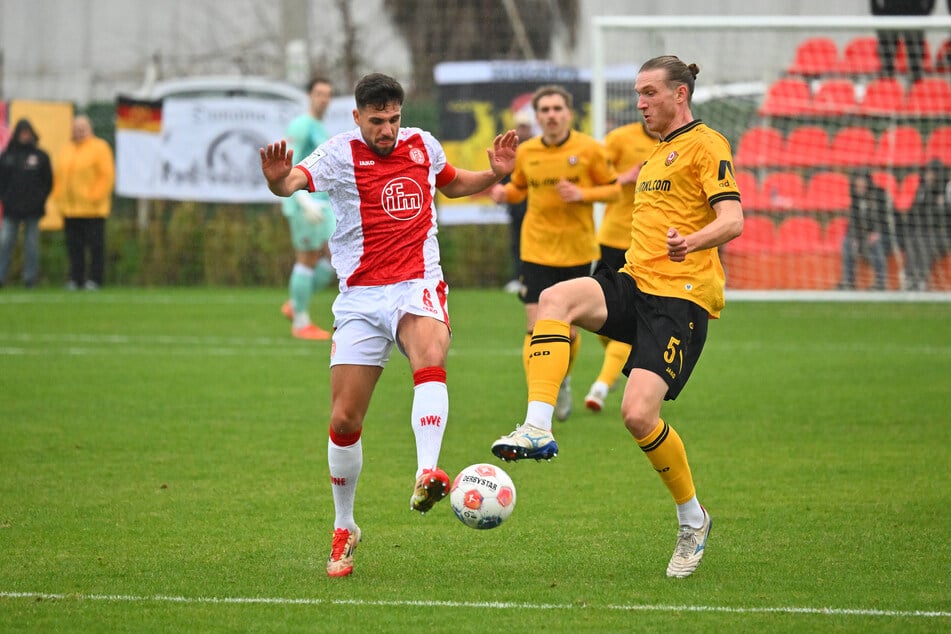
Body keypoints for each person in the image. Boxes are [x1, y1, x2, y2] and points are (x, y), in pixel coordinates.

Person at [490, 56, 743, 579]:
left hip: (682, 298)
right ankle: (537, 427)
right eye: (638, 93)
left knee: (637, 416)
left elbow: (733, 219)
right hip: (634, 283)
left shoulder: (707, 144)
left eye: (650, 92)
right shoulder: (655, 155)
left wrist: (690, 242)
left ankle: (692, 520)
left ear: (680, 94)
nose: (641, 102)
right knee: (556, 300)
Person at [259, 73, 518, 578]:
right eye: (377, 121)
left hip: (416, 282)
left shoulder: (423, 144)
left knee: (430, 354)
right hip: (359, 295)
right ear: (357, 117)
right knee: (344, 420)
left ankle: (427, 471)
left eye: (393, 119)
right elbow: (291, 184)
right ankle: (345, 524)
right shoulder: (337, 153)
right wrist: (276, 179)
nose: (387, 130)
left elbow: (453, 183)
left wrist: (493, 175)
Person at [488, 85, 619, 422]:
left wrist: (582, 193)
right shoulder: (528, 152)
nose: (551, 115)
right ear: (537, 116)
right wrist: (505, 193)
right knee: (535, 329)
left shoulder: (589, 149)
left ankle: (562, 382)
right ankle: (539, 399)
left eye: (557, 109)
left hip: (576, 251)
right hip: (536, 250)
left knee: (569, 331)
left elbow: (614, 189)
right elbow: (519, 188)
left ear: (569, 114)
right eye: (544, 110)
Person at [584, 120, 660, 412]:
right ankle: (617, 364)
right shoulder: (618, 139)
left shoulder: (677, 144)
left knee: (633, 319)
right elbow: (594, 180)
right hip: (613, 238)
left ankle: (601, 386)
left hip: (649, 244)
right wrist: (623, 178)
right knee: (596, 315)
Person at [279, 76, 337, 340]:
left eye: (327, 94)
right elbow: (286, 162)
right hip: (305, 205)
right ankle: (300, 322)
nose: (323, 98)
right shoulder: (301, 125)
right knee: (307, 258)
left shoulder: (320, 128)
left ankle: (296, 301)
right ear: (309, 96)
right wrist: (303, 200)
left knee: (334, 258)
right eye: (318, 93)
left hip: (321, 203)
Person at [52, 114, 115, 291]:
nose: (79, 132)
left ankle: (95, 279)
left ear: (90, 129)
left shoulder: (100, 148)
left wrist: (94, 197)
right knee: (74, 247)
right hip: (70, 209)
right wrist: (58, 196)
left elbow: (106, 175)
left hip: (93, 209)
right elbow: (59, 176)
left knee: (95, 247)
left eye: (82, 129)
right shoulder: (67, 149)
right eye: (76, 129)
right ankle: (76, 278)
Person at [0, 119, 53, 289]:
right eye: (22, 132)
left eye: (27, 132)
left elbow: (48, 182)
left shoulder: (40, 156)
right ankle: (1, 276)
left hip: (33, 209)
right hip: (11, 209)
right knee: (5, 242)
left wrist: (39, 200)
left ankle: (30, 278)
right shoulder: (7, 156)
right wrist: (6, 199)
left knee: (31, 245)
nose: (24, 135)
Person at [836, 169, 894, 291]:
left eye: (863, 182)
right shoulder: (855, 199)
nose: (860, 185)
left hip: (887, 235)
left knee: (875, 244)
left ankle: (880, 282)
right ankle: (848, 281)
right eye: (858, 182)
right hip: (864, 236)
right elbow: (853, 222)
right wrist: (854, 237)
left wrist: (877, 232)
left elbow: (888, 219)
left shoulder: (880, 195)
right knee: (847, 242)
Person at [902, 159, 949, 290]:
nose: (929, 175)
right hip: (923, 233)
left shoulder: (947, 190)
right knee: (912, 238)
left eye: (932, 172)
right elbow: (914, 212)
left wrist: (943, 206)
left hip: (943, 236)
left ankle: (922, 279)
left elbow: (943, 219)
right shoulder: (922, 190)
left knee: (924, 240)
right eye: (928, 172)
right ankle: (910, 277)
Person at [502, 111, 535, 294]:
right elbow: (505, 176)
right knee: (517, 243)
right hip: (516, 206)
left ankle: (530, 278)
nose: (524, 130)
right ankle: (517, 277)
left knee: (534, 243)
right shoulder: (511, 148)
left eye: (526, 126)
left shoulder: (537, 147)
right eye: (521, 126)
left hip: (535, 205)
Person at [870, 0, 935, 81]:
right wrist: (877, 12)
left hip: (915, 15)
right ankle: (887, 89)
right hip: (888, 15)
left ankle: (915, 89)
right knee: (886, 65)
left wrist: (926, 11)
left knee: (916, 65)